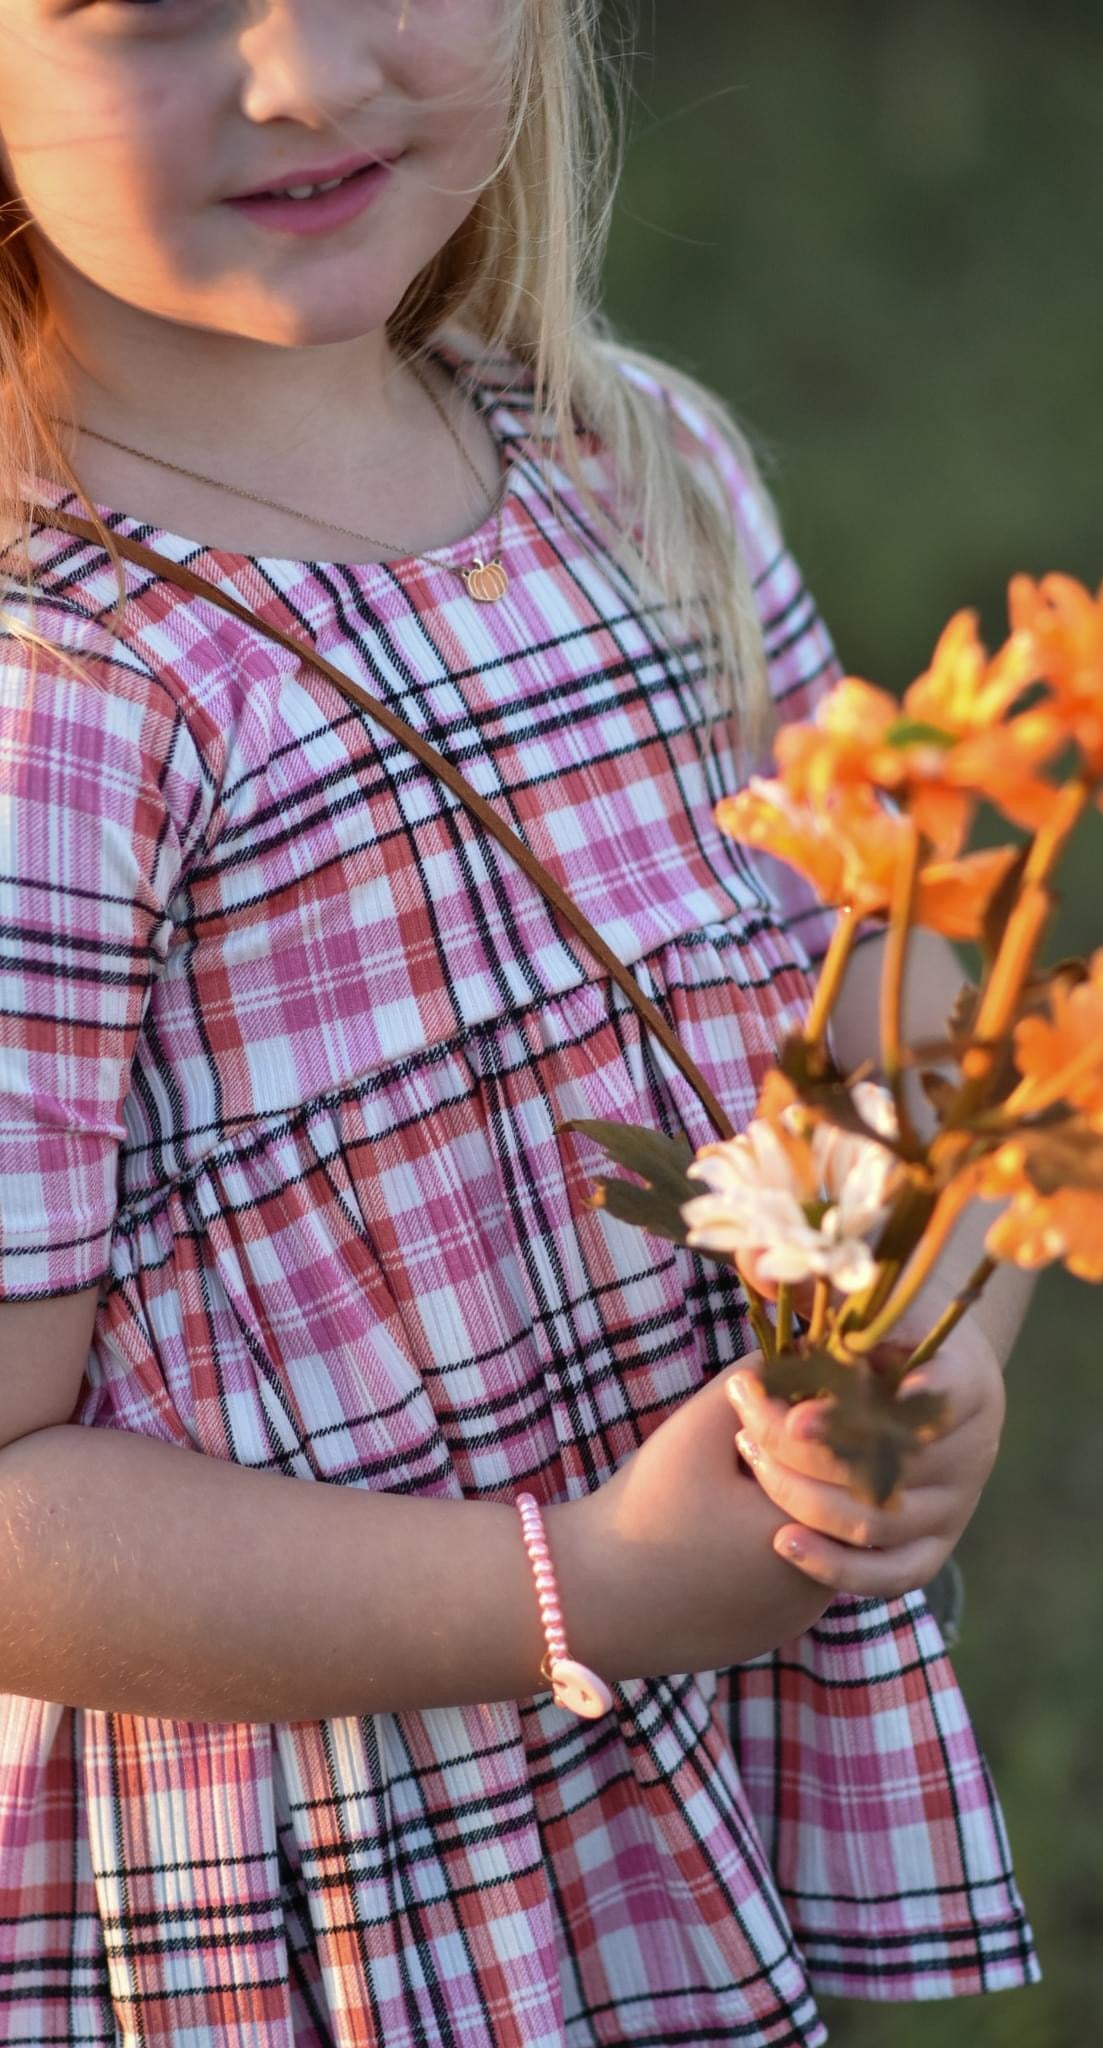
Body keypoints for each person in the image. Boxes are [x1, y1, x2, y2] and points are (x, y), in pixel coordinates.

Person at [0, 3, 1042, 2042]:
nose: (300, 78)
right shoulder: (54, 694)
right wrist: (574, 1581)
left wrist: (928, 1352)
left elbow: (908, 998)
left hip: (664, 1749)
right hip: (302, 1874)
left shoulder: (637, 459)